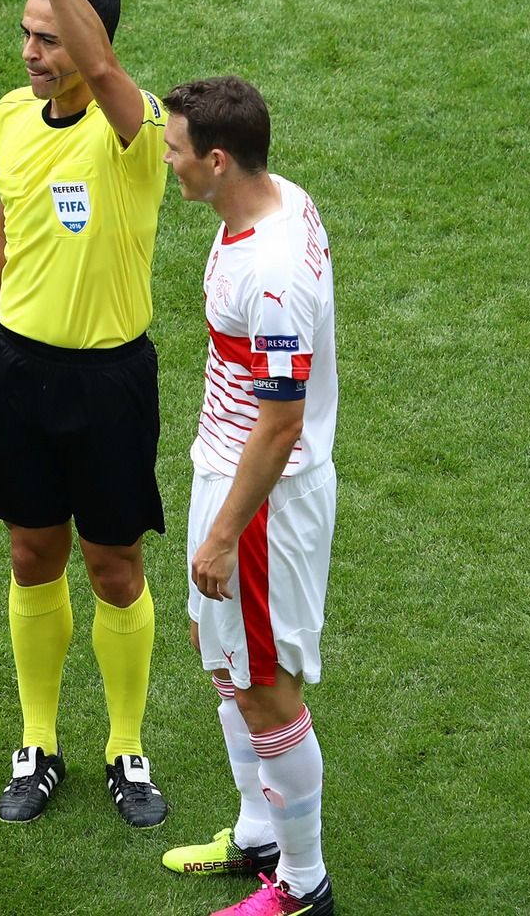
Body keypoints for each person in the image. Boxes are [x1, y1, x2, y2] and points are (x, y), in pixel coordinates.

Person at [0, 0, 171, 828]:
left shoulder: (137, 130)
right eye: (27, 34)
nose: (31, 51)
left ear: (87, 37)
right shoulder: (9, 117)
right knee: (32, 554)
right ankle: (39, 742)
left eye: (48, 36)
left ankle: (126, 747)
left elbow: (107, 69)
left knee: (114, 567)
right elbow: (8, 234)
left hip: (110, 381)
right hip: (20, 375)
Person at [155, 77, 339, 916]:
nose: (166, 158)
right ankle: (259, 835)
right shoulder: (274, 197)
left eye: (175, 148)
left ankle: (303, 887)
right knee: (228, 665)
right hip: (227, 475)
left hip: (262, 498)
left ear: (217, 160)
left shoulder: (270, 276)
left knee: (264, 683)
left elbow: (280, 422)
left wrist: (226, 532)